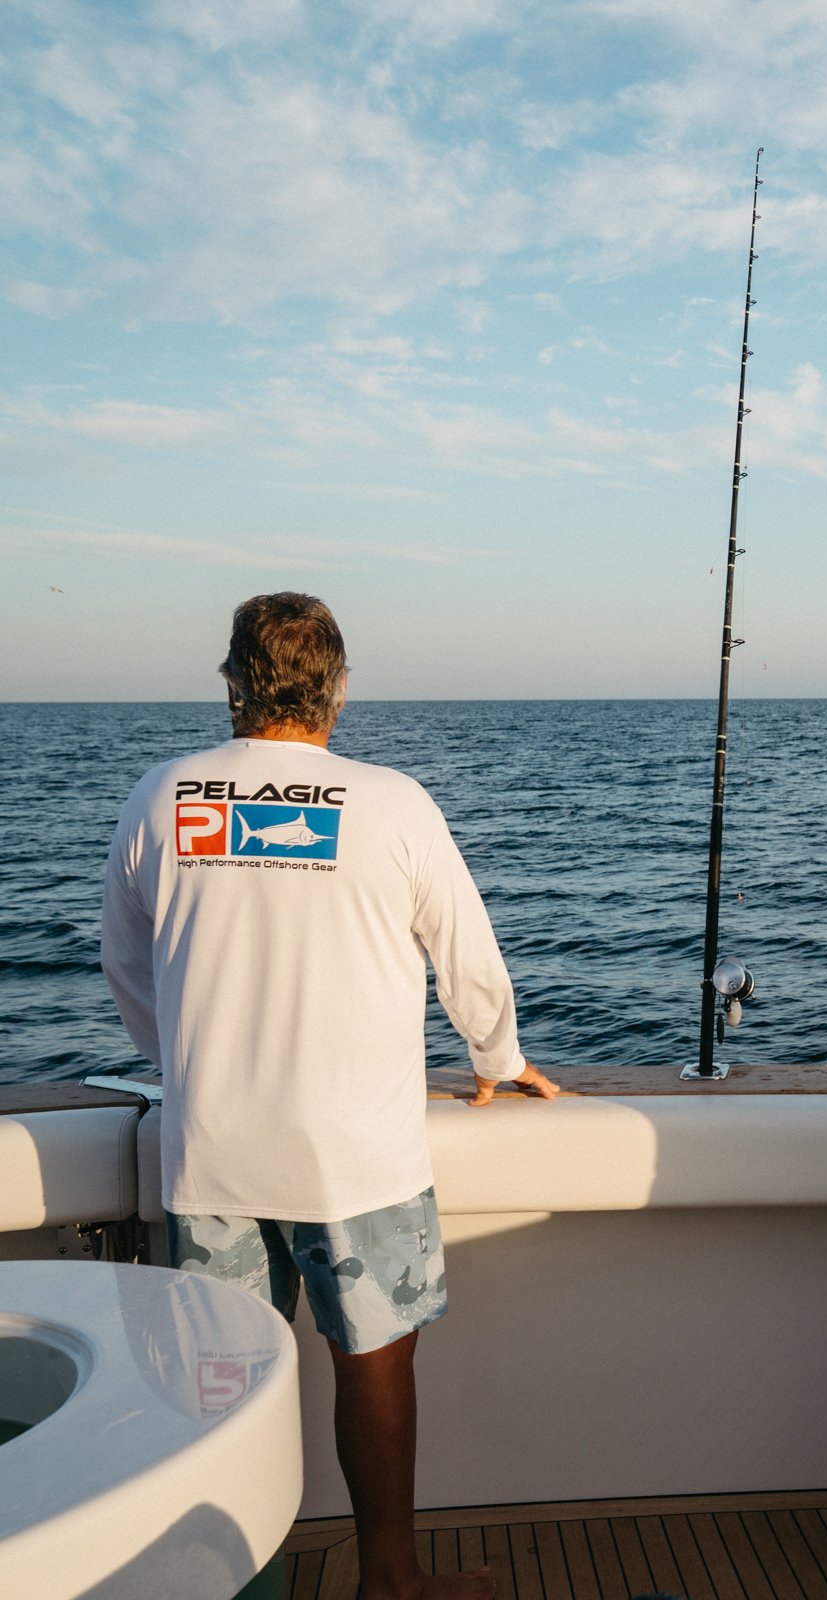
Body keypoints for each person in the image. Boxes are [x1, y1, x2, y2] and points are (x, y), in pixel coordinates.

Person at [101, 592, 559, 1600]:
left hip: (209, 1146)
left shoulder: (161, 795)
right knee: (374, 1362)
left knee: (223, 1383)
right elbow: (467, 958)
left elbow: (126, 965)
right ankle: (389, 1579)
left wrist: (183, 1064)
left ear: (231, 683)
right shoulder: (393, 803)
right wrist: (497, 1056)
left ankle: (224, 1580)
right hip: (357, 1158)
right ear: (338, 689)